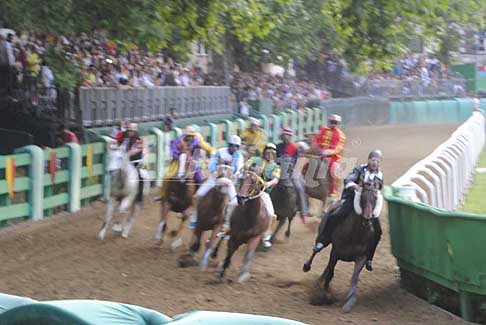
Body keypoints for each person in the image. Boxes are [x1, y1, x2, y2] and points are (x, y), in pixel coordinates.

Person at [311, 150, 384, 271]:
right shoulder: (359, 170)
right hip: (353, 199)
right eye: (373, 160)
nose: (374, 163)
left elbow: (380, 188)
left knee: (378, 231)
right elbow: (348, 180)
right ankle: (323, 240)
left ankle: (369, 258)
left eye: (377, 161)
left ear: (380, 162)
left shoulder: (379, 175)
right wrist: (356, 186)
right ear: (368, 160)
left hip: (368, 204)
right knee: (335, 215)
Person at [189, 135, 244, 230]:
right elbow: (212, 163)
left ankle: (226, 223)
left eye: (235, 146)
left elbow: (240, 169)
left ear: (238, 147)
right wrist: (214, 171)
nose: (233, 148)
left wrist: (236, 174)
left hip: (228, 182)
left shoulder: (239, 156)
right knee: (197, 196)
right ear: (228, 145)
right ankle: (194, 217)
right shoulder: (220, 152)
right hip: (215, 179)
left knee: (235, 202)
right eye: (231, 145)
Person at [159, 126, 214, 201]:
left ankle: (200, 196)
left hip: (193, 162)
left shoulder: (197, 140)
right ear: (185, 135)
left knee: (199, 178)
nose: (190, 137)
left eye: (192, 136)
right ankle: (163, 196)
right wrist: (178, 155)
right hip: (178, 161)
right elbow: (174, 149)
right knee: (167, 177)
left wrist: (212, 153)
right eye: (189, 135)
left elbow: (209, 148)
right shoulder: (179, 140)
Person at [246, 143, 280, 248]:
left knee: (270, 214)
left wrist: (268, 183)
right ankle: (227, 227)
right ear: (264, 152)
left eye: (272, 153)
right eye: (268, 152)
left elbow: (275, 179)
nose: (270, 155)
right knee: (233, 203)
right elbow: (246, 166)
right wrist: (247, 172)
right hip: (248, 188)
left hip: (263, 192)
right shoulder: (255, 159)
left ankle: (266, 237)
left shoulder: (276, 167)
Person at [276, 128, 309, 223]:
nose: (286, 137)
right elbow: (274, 158)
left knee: (299, 187)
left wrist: (286, 163)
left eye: (288, 136)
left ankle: (303, 211)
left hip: (291, 171)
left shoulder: (294, 148)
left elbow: (295, 161)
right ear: (282, 137)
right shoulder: (278, 146)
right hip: (277, 170)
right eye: (284, 135)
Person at [314, 114, 346, 196]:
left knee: (333, 171)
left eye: (335, 122)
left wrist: (328, 152)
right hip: (319, 154)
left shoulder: (341, 134)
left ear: (338, 123)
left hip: (333, 157)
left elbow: (338, 148)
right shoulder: (323, 130)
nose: (333, 124)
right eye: (332, 122)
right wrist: (318, 149)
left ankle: (333, 191)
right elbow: (317, 140)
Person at [115, 123, 145, 205]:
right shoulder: (123, 136)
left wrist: (127, 155)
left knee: (140, 177)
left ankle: (139, 198)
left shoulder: (138, 139)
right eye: (128, 130)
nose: (130, 132)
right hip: (123, 161)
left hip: (134, 161)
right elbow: (115, 142)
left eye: (132, 131)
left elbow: (136, 150)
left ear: (135, 131)